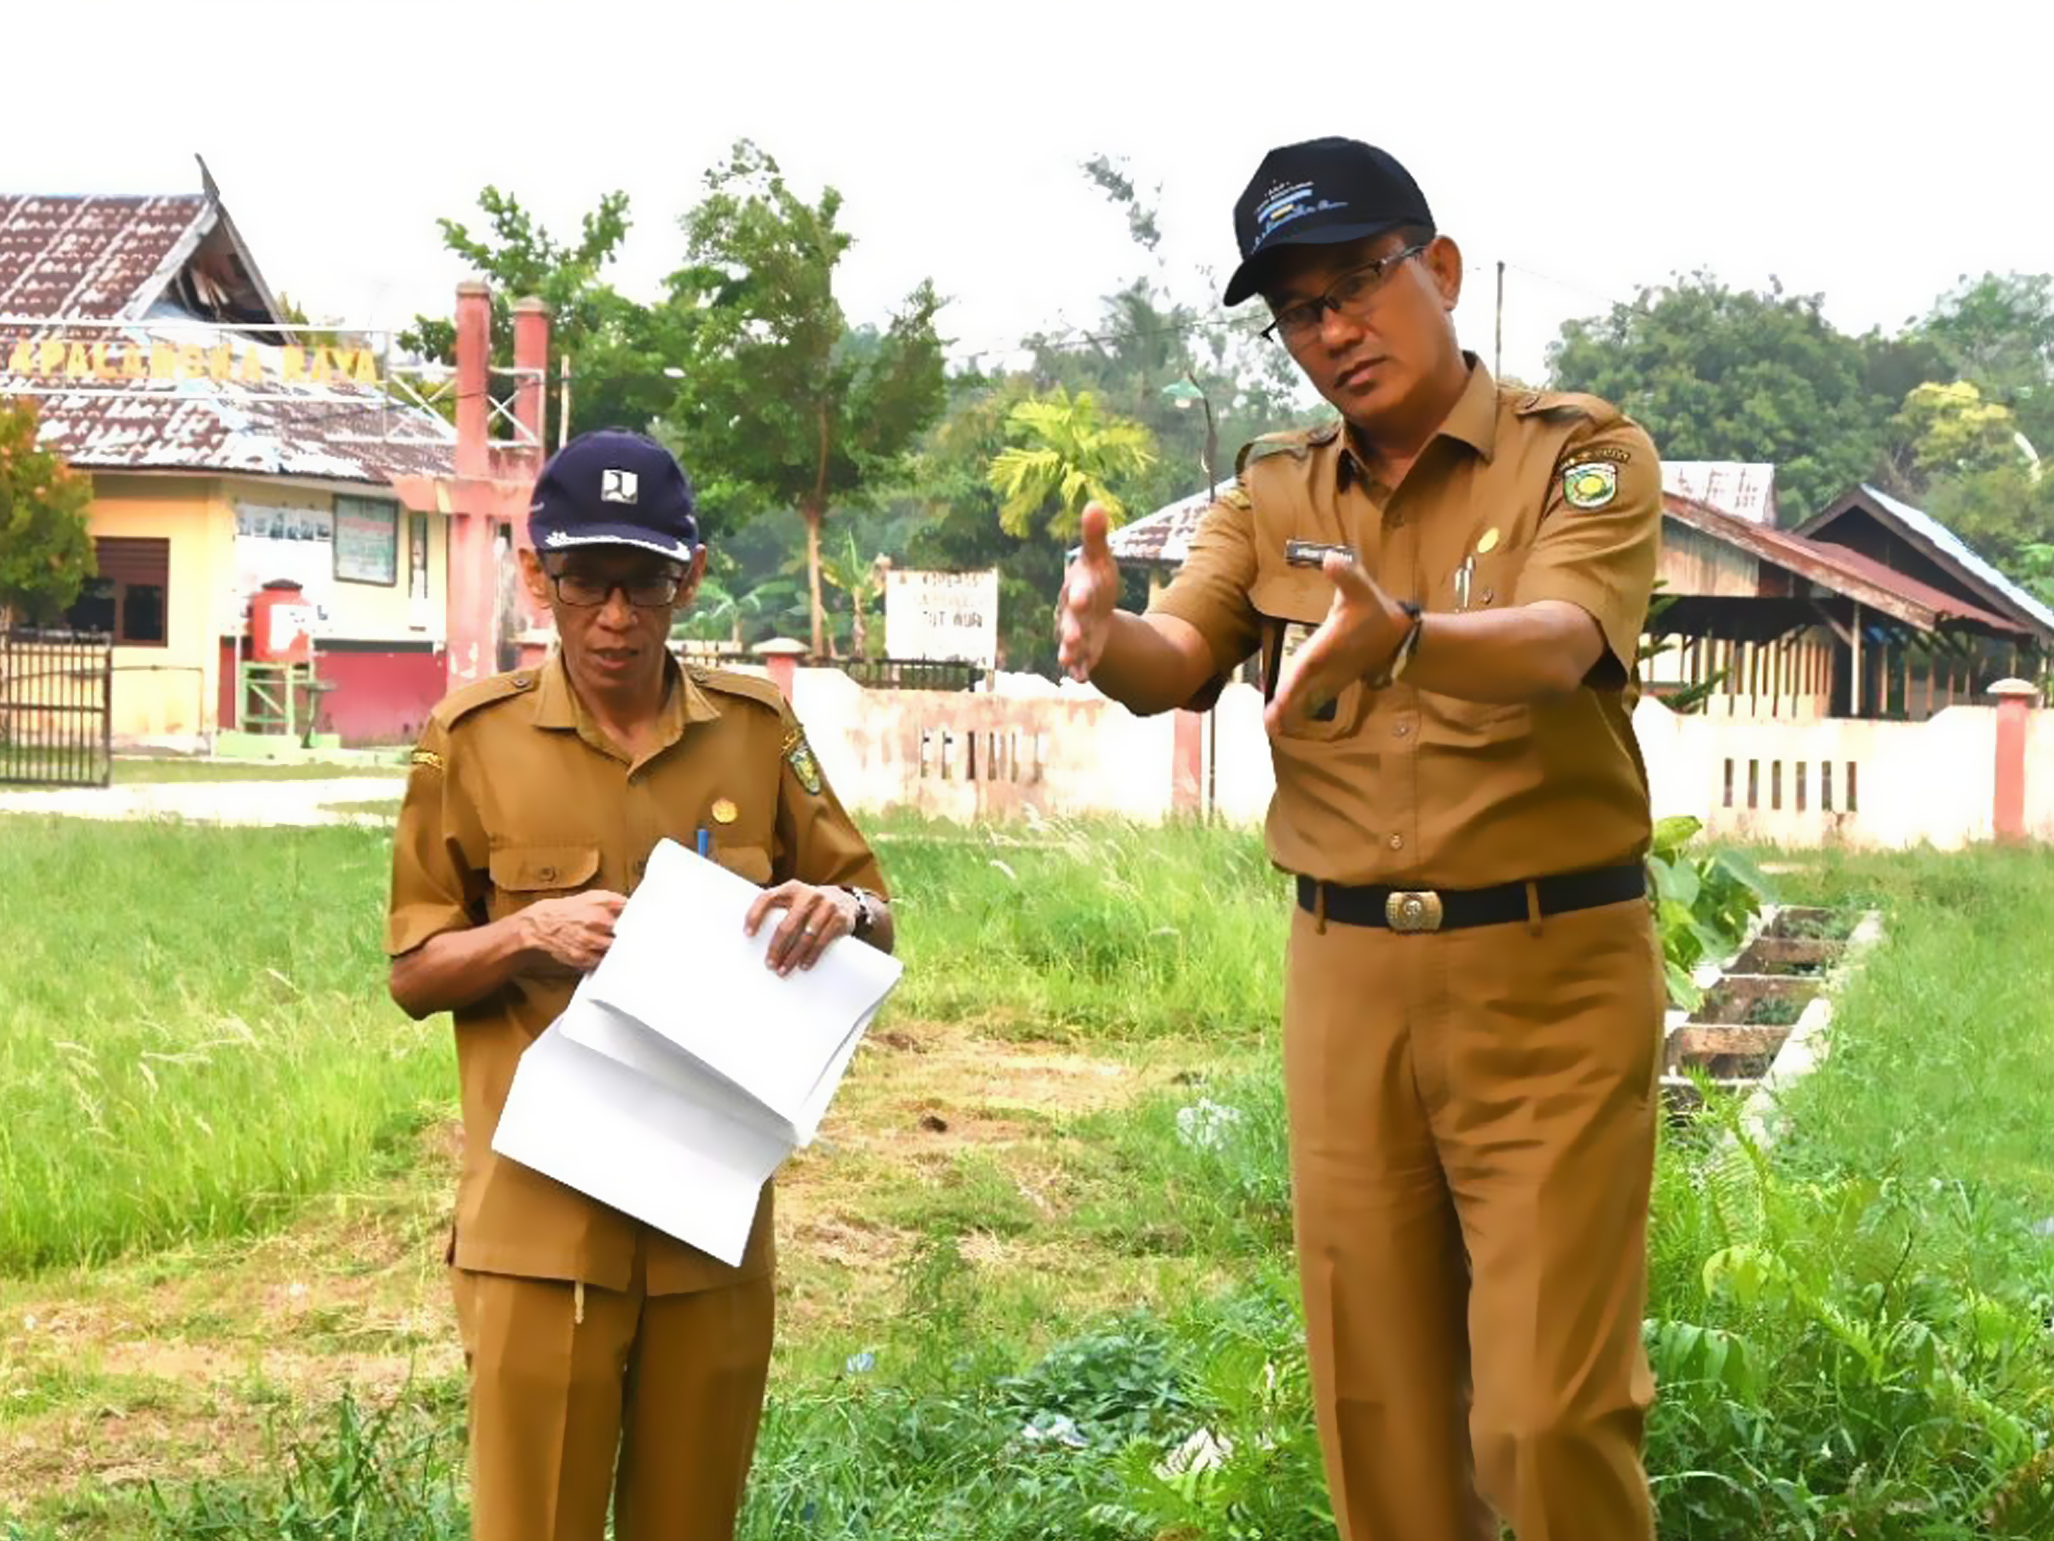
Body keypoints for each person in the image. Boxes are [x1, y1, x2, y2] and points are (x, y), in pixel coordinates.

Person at [1055, 137, 1666, 1540]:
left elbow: (1564, 638)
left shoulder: (1576, 456)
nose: (1332, 330)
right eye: (1298, 310)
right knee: (1378, 1418)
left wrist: (1406, 638)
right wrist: (1099, 639)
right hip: (1347, 987)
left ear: (1438, 272)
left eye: (1355, 284)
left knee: (1546, 1415)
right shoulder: (1275, 488)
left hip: (1550, 974)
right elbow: (1180, 651)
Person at [385, 427, 894, 1541]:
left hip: (709, 1223)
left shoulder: (757, 734)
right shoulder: (469, 741)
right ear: (538, 576)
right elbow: (414, 970)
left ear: (691, 576)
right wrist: (528, 931)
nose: (615, 616)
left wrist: (839, 909)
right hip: (540, 1226)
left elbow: (875, 908)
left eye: (645, 584)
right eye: (586, 583)